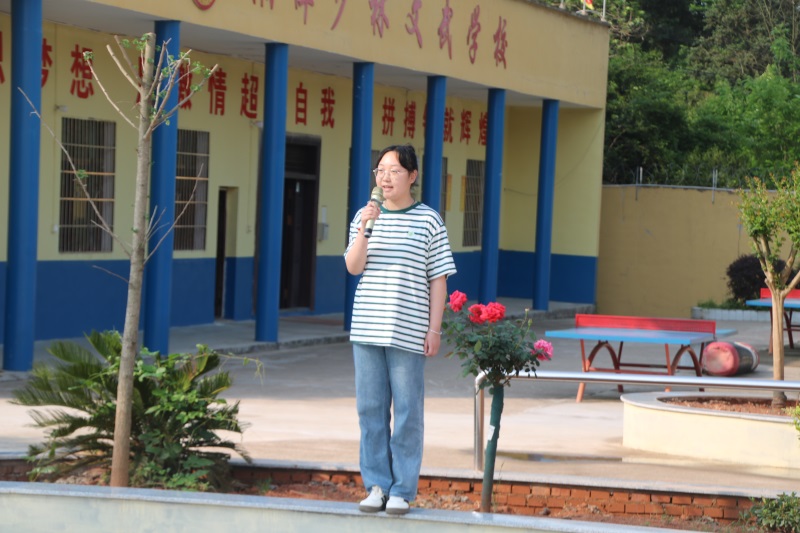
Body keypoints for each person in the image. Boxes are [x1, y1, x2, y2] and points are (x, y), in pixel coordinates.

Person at [344, 144, 457, 515]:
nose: (385, 178)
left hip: (408, 331)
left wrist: (434, 330)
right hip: (367, 329)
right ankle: (377, 485)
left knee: (407, 412)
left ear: (412, 176)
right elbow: (353, 267)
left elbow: (438, 279)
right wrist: (365, 228)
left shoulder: (429, 220)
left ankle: (402, 490)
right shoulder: (364, 215)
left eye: (394, 171)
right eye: (380, 170)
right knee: (370, 410)